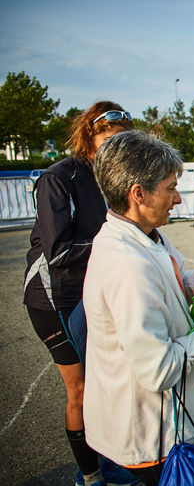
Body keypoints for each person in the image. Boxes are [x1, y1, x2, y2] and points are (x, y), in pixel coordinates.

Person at [83, 131, 194, 485]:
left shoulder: (145, 234)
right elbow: (159, 370)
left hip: (160, 426)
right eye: (171, 188)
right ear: (138, 193)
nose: (178, 199)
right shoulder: (127, 264)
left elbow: (174, 273)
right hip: (147, 436)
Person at [22, 102, 138, 486]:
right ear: (90, 133)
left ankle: (111, 459)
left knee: (111, 381)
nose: (116, 145)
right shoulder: (60, 177)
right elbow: (58, 252)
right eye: (109, 136)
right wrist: (118, 244)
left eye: (123, 138)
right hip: (55, 295)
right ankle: (90, 474)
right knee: (83, 388)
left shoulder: (114, 177)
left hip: (94, 290)